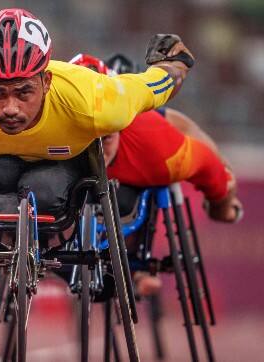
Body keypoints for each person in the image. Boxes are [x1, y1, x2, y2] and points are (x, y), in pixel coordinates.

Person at [0, 7, 194, 220]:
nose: (11, 108)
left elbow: (152, 86)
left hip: (64, 166)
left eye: (24, 92)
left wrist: (173, 65)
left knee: (45, 190)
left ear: (46, 81)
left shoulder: (91, 99)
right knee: (0, 179)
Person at [70, 53, 243, 295]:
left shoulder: (156, 141)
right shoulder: (43, 125)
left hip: (147, 143)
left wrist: (221, 203)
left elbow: (210, 164)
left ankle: (134, 269)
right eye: (87, 137)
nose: (96, 150)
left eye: (105, 137)